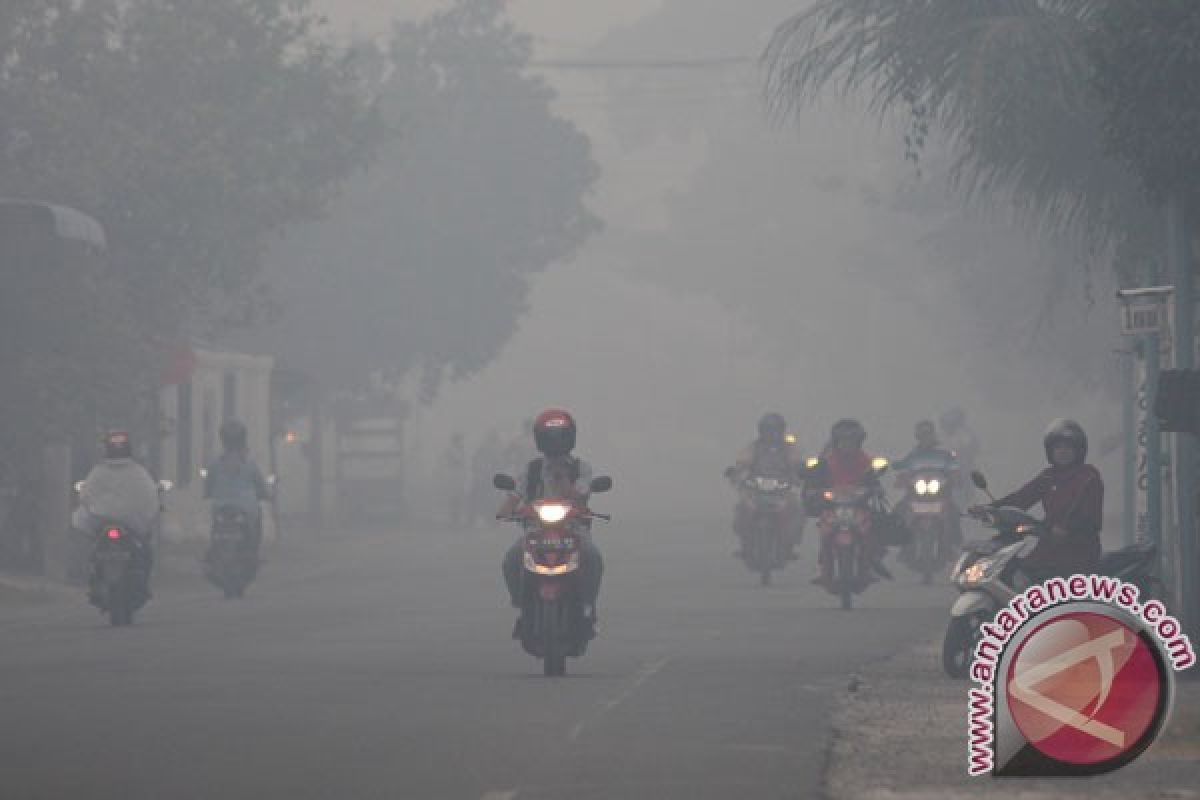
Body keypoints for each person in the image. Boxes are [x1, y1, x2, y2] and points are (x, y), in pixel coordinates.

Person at [499, 409, 603, 639]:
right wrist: (506, 511)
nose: (555, 443)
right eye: (550, 437)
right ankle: (521, 603)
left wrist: (562, 475)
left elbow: (579, 495)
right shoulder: (532, 469)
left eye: (560, 437)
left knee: (592, 556)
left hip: (573, 531)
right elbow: (515, 495)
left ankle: (587, 606)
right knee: (511, 559)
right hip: (536, 531)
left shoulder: (580, 468)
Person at [974, 419, 1103, 579]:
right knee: (1013, 571)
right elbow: (1021, 498)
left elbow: (1091, 517)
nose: (1063, 452)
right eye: (1058, 447)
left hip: (1077, 549)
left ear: (1079, 450)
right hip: (1049, 545)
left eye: (1068, 447)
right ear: (1050, 451)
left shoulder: (1088, 477)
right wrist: (990, 508)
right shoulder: (1048, 476)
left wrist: (1067, 529)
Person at [72, 430, 161, 595]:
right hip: (128, 523)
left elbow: (85, 496)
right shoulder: (138, 473)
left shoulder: (99, 472)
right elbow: (150, 497)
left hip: (105, 522)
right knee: (146, 550)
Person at [804, 419, 891, 586]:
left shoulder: (866, 460)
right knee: (825, 532)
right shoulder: (826, 462)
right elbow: (815, 480)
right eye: (843, 441)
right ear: (836, 442)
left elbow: (873, 478)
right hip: (833, 506)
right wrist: (814, 490)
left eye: (851, 441)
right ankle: (823, 569)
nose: (847, 445)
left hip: (858, 505)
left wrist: (876, 489)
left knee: (870, 530)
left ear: (859, 442)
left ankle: (869, 565)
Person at [727, 412, 805, 559]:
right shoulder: (754, 447)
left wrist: (801, 472)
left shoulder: (789, 448)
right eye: (768, 430)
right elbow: (743, 462)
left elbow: (797, 463)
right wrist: (738, 473)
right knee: (743, 507)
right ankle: (745, 541)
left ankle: (790, 543)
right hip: (756, 488)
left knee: (796, 508)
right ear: (761, 431)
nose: (772, 434)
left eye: (775, 430)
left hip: (782, 488)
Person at [203, 419, 271, 561]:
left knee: (215, 525)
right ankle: (254, 552)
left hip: (220, 507)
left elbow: (208, 488)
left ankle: (212, 551)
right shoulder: (250, 464)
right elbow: (261, 486)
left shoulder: (215, 464)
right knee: (258, 516)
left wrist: (209, 494)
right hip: (247, 509)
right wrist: (266, 495)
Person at [940, 407, 980, 507]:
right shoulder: (941, 436)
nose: (948, 426)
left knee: (963, 490)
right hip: (943, 472)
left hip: (961, 471)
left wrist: (962, 454)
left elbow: (972, 447)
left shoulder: (965, 434)